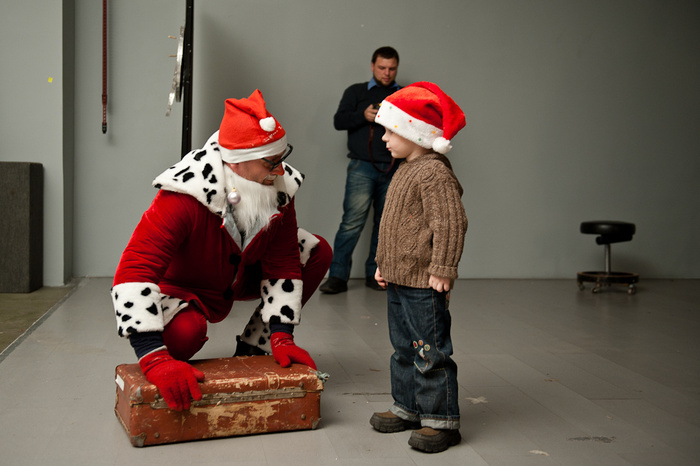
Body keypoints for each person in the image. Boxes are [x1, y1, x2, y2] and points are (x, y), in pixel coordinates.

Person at [111, 90, 332, 411]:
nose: (281, 171)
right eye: (271, 162)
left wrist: (282, 336)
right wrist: (154, 358)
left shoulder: (279, 185)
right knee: (184, 335)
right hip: (185, 286)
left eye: (282, 158)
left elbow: (283, 260)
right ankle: (168, 346)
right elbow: (134, 270)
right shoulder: (182, 196)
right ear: (236, 161)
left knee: (316, 251)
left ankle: (255, 346)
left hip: (240, 276)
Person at [369, 82, 468, 453]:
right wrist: (383, 264)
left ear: (415, 133)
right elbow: (394, 225)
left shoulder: (433, 173)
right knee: (402, 348)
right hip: (399, 279)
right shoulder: (405, 169)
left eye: (390, 131)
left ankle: (441, 420)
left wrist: (443, 266)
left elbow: (450, 223)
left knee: (429, 350)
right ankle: (408, 407)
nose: (384, 139)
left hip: (424, 283)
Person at [319, 46, 401, 294]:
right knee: (351, 223)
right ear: (372, 66)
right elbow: (338, 121)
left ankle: (375, 275)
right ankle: (337, 276)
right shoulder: (355, 91)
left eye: (392, 68)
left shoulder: (402, 95)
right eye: (382, 67)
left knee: (385, 224)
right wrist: (363, 115)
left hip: (394, 167)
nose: (386, 73)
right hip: (361, 166)